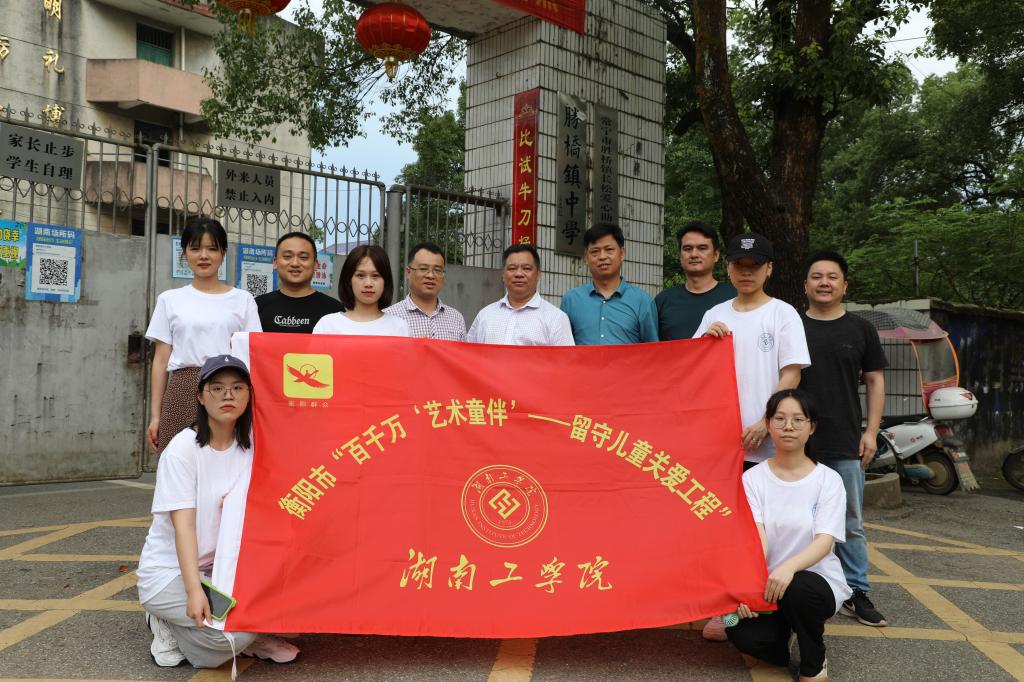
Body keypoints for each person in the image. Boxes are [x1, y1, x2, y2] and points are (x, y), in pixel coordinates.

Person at [137, 355, 298, 669]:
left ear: (249, 395)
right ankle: (166, 621)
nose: (228, 395)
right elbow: (184, 527)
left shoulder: (253, 447)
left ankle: (231, 631)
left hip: (227, 569)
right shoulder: (183, 450)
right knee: (235, 634)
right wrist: (193, 590)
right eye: (217, 388)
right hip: (171, 573)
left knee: (290, 613)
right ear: (200, 396)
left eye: (237, 387)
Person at [695, 232, 810, 642]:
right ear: (728, 268)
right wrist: (705, 343)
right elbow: (690, 370)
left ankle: (766, 605)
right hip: (720, 445)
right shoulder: (714, 314)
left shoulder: (783, 314)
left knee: (766, 529)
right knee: (723, 526)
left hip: (767, 444)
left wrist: (766, 420)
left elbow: (791, 374)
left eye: (755, 266)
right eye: (739, 266)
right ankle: (724, 608)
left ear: (769, 269)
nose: (746, 273)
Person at [727, 389, 851, 681]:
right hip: (768, 585)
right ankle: (785, 636)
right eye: (780, 418)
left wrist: (788, 568)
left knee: (798, 588)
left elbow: (825, 541)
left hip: (814, 582)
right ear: (769, 424)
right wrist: (749, 587)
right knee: (740, 631)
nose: (788, 426)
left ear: (811, 427)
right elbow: (756, 538)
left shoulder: (828, 480)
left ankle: (814, 661)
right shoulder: (752, 479)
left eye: (798, 419)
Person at [801, 251, 888, 627]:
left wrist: (871, 431)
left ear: (844, 285)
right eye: (817, 276)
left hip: (845, 440)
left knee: (850, 520)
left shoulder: (861, 329)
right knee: (792, 518)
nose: (824, 282)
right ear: (805, 284)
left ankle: (856, 590)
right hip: (794, 442)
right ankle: (796, 585)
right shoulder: (790, 324)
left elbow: (875, 381)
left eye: (832, 277)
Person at [146, 216, 262, 453]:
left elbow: (254, 356)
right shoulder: (169, 299)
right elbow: (160, 360)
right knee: (178, 459)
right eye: (195, 248)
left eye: (212, 249)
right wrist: (156, 415)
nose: (204, 256)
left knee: (229, 460)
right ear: (184, 252)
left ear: (223, 253)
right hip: (183, 389)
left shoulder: (243, 300)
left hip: (229, 389)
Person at [559, 223, 658, 345]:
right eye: (595, 252)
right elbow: (563, 348)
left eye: (609, 250)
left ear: (622, 254)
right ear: (586, 258)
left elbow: (653, 350)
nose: (602, 257)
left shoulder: (642, 301)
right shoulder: (571, 300)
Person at [466, 244, 574, 346]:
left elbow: (565, 359)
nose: (518, 274)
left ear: (538, 275)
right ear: (503, 274)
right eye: (512, 268)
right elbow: (469, 354)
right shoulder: (485, 315)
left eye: (526, 268)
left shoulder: (556, 318)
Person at [655, 221, 737, 340]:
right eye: (687, 249)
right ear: (680, 255)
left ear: (716, 255)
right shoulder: (663, 301)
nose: (694, 254)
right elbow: (651, 347)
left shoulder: (734, 296)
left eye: (702, 248)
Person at [255, 231, 343, 333]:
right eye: (287, 256)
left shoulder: (334, 310)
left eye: (303, 257)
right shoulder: (257, 307)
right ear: (275, 263)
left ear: (316, 264)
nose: (295, 263)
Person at [312, 245, 410, 337]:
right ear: (349, 280)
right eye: (360, 275)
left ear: (386, 281)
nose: (368, 283)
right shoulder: (327, 325)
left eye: (375, 276)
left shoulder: (399, 328)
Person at [384, 241, 467, 340]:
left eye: (437, 270)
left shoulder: (456, 319)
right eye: (423, 269)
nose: (430, 275)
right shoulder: (388, 317)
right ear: (408, 272)